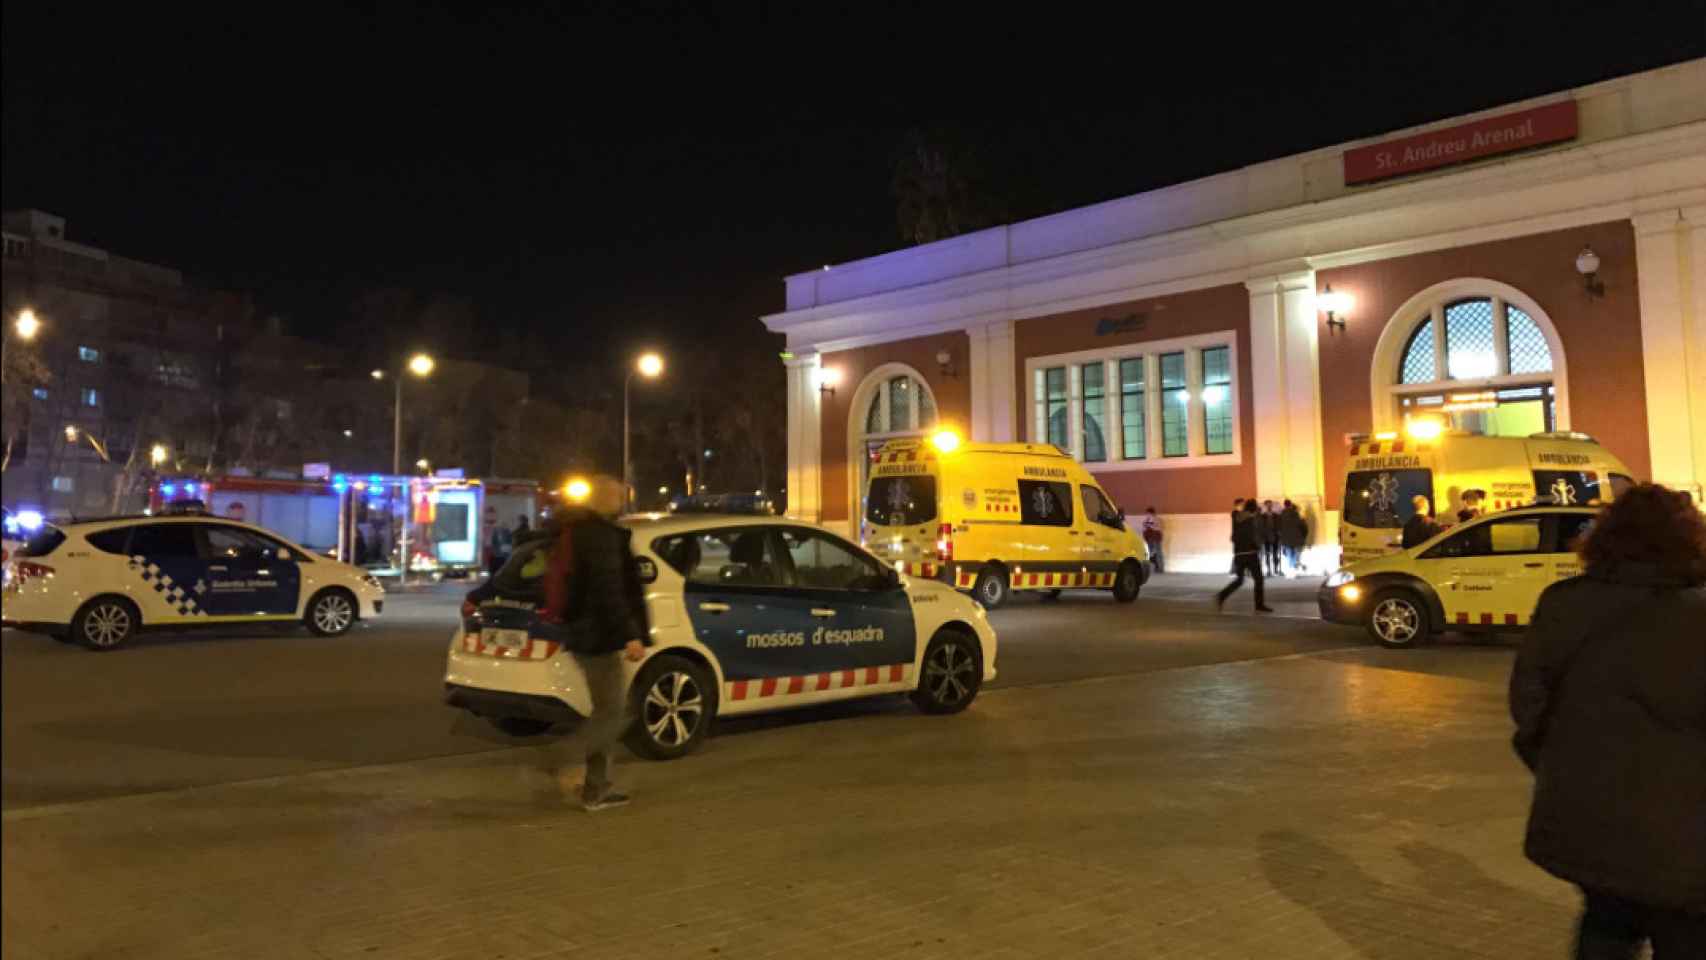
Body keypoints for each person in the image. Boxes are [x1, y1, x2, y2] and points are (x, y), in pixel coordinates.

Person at [1509, 484, 1706, 958]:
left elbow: (1528, 705)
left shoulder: (1563, 603)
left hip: (1590, 818)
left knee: (1606, 925)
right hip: (1688, 833)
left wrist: (1562, 766)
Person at [540, 475, 652, 812]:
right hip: (599, 635)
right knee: (616, 711)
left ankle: (597, 788)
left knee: (608, 710)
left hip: (583, 631)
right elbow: (610, 592)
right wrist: (630, 634)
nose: (623, 501)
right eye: (619, 496)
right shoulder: (601, 536)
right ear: (609, 500)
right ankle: (565, 755)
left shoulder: (576, 531)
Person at [1216, 499, 1273, 613]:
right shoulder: (1252, 520)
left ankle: (1222, 595)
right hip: (1250, 553)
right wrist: (1258, 545)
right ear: (1253, 509)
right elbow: (1256, 536)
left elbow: (1233, 537)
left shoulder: (1237, 519)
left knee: (1239, 580)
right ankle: (1259, 605)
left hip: (1239, 553)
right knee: (1259, 579)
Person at [1279, 500, 1308, 577]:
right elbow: (1299, 524)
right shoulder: (1295, 513)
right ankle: (1292, 570)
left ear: (1284, 505)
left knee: (1289, 554)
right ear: (1290, 505)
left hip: (1286, 538)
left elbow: (1279, 527)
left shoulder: (1281, 514)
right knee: (1295, 554)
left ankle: (1290, 570)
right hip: (1295, 537)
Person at [1140, 507, 1165, 574]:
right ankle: (1157, 567)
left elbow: (1154, 527)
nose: (1147, 515)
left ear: (1150, 513)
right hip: (1151, 537)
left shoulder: (1155, 519)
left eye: (1148, 513)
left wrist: (1148, 525)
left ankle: (1160, 568)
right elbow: (1145, 527)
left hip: (1155, 536)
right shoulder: (1149, 519)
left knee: (1157, 552)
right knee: (1152, 552)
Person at [1261, 500, 1282, 577]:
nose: (1269, 507)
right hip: (1266, 537)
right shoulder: (1262, 516)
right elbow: (1261, 527)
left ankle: (1276, 569)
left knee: (1275, 554)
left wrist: (1279, 533)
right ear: (1265, 506)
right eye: (1267, 505)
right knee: (1267, 554)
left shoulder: (1276, 516)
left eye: (1270, 505)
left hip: (1275, 537)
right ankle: (1268, 570)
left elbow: (1279, 525)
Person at [1229, 499, 1245, 574]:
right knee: (1237, 554)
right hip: (1237, 537)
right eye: (1242, 504)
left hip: (1241, 537)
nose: (1243, 505)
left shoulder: (1240, 513)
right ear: (1238, 505)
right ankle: (1233, 570)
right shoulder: (1235, 513)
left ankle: (1240, 570)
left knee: (1241, 553)